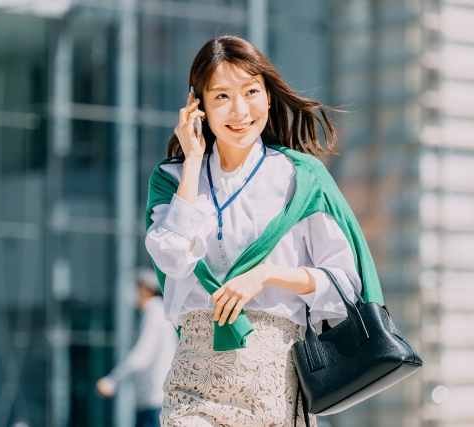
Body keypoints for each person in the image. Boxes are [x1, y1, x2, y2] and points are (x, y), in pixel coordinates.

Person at [145, 35, 383, 427]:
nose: (239, 110)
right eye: (221, 96)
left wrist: (267, 275)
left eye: (251, 91)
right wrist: (191, 162)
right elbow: (171, 258)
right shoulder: (172, 179)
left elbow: (344, 287)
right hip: (193, 381)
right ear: (198, 105)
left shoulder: (299, 178)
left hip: (273, 381)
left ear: (269, 97)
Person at [96, 268, 178, 427]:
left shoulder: (154, 313)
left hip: (154, 401)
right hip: (156, 399)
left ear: (146, 289)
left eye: (135, 287)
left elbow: (141, 357)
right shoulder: (159, 312)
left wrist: (111, 381)